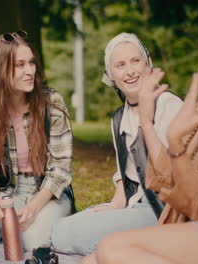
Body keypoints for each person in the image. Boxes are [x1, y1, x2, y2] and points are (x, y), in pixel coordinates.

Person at [83, 7, 198, 264]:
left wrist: (176, 145)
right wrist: (147, 123)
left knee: (111, 250)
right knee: (91, 260)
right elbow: (169, 181)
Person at [51, 33, 182, 255]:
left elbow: (177, 175)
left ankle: (141, 247)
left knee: (69, 234)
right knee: (61, 229)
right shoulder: (119, 118)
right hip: (137, 203)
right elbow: (126, 176)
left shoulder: (167, 104)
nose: (130, 71)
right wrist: (113, 208)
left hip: (167, 209)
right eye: (120, 65)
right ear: (111, 75)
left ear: (147, 64)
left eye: (135, 61)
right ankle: (128, 246)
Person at [0, 30, 74, 252]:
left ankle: (47, 224)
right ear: (2, 70)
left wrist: (34, 207)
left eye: (32, 63)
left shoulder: (51, 103)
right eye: (20, 65)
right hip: (4, 192)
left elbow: (61, 170)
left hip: (46, 192)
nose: (30, 71)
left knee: (33, 242)